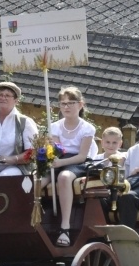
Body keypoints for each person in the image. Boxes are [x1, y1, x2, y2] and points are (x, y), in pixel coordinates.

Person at [41, 86, 98, 246]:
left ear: (80, 105)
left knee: (64, 177)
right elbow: (58, 151)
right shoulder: (55, 126)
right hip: (60, 158)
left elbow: (82, 156)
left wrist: (61, 162)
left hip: (78, 162)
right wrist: (51, 150)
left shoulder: (88, 128)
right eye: (63, 103)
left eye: (70, 103)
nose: (66, 107)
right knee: (36, 181)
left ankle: (65, 227)